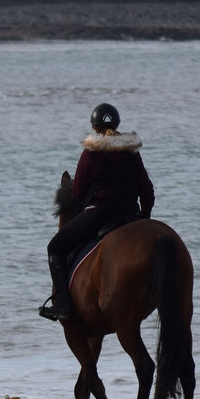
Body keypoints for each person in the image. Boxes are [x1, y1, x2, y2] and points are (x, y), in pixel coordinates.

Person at [39, 102, 155, 321]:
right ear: (118, 124)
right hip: (130, 215)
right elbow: (146, 189)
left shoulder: (91, 153)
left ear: (94, 127)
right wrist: (145, 215)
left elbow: (79, 193)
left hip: (100, 213)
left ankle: (62, 305)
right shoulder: (131, 152)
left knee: (55, 246)